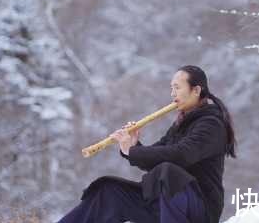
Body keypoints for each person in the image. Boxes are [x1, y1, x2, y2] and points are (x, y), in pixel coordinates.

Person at [58, 65, 237, 223]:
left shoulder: (212, 124)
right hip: (167, 202)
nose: (172, 94)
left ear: (196, 90)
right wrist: (133, 146)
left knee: (167, 173)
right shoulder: (181, 124)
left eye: (177, 87)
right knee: (109, 191)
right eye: (171, 88)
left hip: (200, 209)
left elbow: (181, 155)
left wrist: (133, 152)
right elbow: (157, 154)